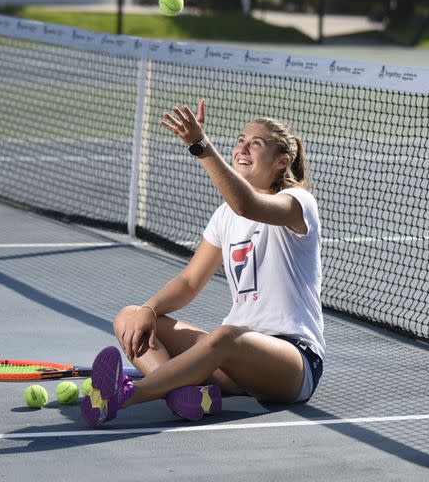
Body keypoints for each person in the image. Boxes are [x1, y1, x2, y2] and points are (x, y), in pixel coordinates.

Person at [81, 99, 325, 427]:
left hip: (292, 363)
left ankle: (127, 395)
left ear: (282, 161)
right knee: (130, 317)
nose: (243, 147)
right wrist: (149, 310)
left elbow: (245, 203)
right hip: (234, 363)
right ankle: (184, 395)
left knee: (226, 337)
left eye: (257, 143)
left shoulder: (298, 203)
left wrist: (201, 146)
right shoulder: (224, 216)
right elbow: (189, 282)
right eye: (241, 139)